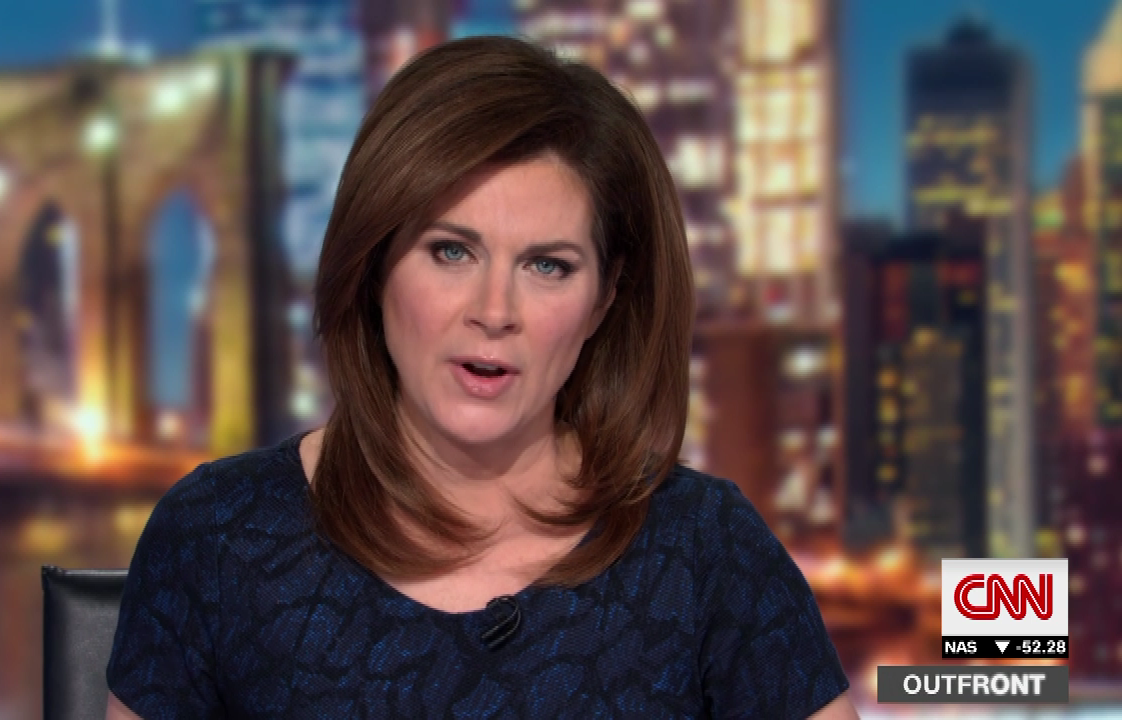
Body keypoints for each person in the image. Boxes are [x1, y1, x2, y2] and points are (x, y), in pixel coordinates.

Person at [105, 35, 858, 719]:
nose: (495, 311)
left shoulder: (706, 549)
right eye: (451, 252)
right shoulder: (217, 536)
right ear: (374, 265)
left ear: (604, 298)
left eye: (547, 266)